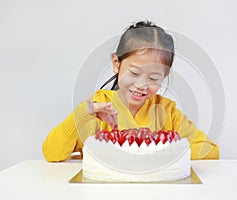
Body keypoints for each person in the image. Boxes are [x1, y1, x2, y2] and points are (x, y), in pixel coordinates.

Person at [42, 20, 220, 162]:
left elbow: (210, 150)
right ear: (116, 64)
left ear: (165, 76)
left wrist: (157, 147)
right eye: (134, 73)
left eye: (153, 78)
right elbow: (52, 153)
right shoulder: (98, 109)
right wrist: (81, 114)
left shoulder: (167, 111)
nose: (142, 84)